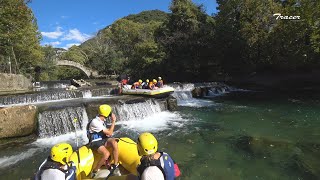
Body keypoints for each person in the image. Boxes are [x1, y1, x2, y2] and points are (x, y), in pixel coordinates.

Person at [87, 104, 119, 178]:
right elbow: (110, 132)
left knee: (114, 142)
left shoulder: (102, 120)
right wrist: (113, 121)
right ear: (106, 114)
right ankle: (95, 171)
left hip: (103, 139)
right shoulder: (95, 122)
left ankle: (115, 165)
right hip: (95, 142)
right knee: (106, 154)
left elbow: (107, 134)